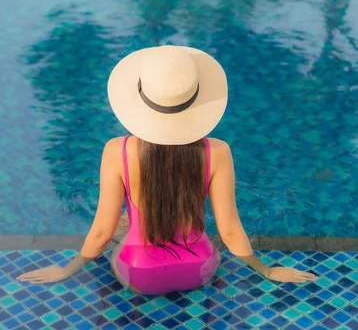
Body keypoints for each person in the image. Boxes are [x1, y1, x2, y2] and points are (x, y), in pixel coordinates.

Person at [18, 46, 318, 293]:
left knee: (124, 226)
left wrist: (67, 269)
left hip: (137, 273)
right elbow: (228, 229)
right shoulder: (218, 152)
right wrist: (266, 270)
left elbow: (100, 232)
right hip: (199, 269)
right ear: (196, 99)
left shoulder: (117, 151)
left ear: (140, 100)